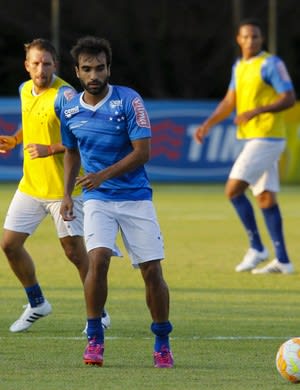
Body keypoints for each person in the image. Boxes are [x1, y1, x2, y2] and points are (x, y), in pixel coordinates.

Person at [60, 36, 173, 368]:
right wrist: (68, 194)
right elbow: (71, 151)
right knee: (98, 259)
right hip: (96, 199)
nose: (93, 75)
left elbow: (143, 152)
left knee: (152, 271)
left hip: (136, 198)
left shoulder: (129, 101)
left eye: (99, 68)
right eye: (86, 69)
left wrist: (102, 175)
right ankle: (95, 338)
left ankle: (162, 341)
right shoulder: (67, 106)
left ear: (109, 68)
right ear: (77, 72)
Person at [0, 38, 110, 333]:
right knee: (9, 245)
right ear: (27, 66)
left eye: (46, 63)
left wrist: (50, 149)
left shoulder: (66, 95)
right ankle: (37, 303)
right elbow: (32, 120)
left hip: (65, 190)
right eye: (35, 63)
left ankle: (98, 312)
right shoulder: (25, 89)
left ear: (55, 65)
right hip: (31, 186)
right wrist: (16, 139)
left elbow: (83, 136)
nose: (41, 69)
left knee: (75, 253)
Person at [194, 18, 296, 274]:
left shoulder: (271, 64)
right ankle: (283, 260)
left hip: (268, 136)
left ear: (261, 39)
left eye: (256, 37)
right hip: (255, 137)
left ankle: (257, 247)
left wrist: (256, 111)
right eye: (247, 36)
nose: (252, 40)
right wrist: (208, 124)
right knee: (264, 197)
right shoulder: (239, 66)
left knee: (233, 190)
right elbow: (230, 101)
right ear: (239, 39)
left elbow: (289, 98)